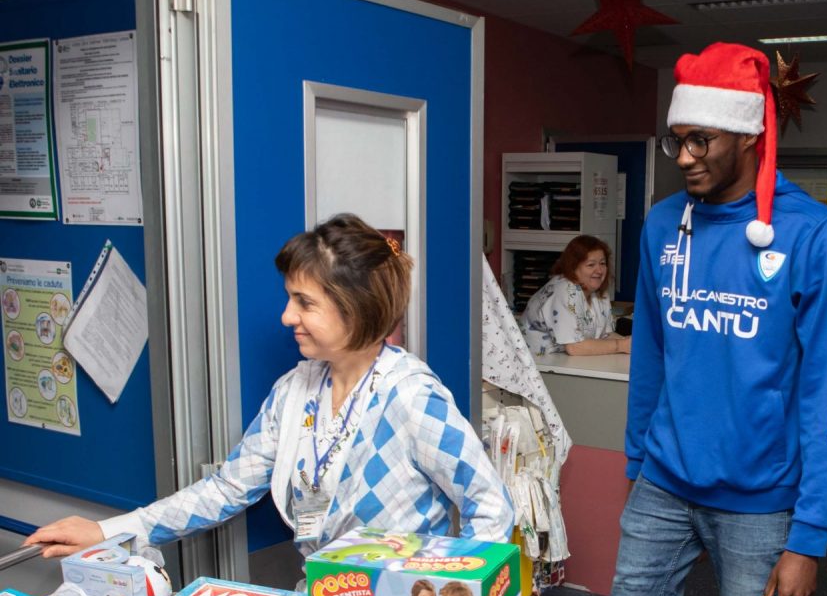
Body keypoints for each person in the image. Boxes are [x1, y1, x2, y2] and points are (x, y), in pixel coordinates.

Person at [610, 43, 827, 596]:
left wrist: (809, 536)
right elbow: (652, 352)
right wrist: (638, 465)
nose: (682, 156)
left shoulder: (814, 234)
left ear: (747, 136)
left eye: (700, 141)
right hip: (666, 481)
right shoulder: (661, 224)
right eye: (675, 138)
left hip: (761, 499)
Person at [27, 214, 514, 574]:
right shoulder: (295, 391)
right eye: (289, 298)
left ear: (357, 307)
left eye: (304, 303)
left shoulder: (411, 397)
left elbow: (491, 507)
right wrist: (109, 530)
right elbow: (225, 489)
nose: (287, 316)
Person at [522, 234, 630, 356]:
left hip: (571, 363)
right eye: (591, 265)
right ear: (573, 267)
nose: (599, 271)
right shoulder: (564, 290)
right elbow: (574, 347)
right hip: (539, 363)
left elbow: (606, 336)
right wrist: (621, 345)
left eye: (602, 263)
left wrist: (630, 343)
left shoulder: (599, 291)